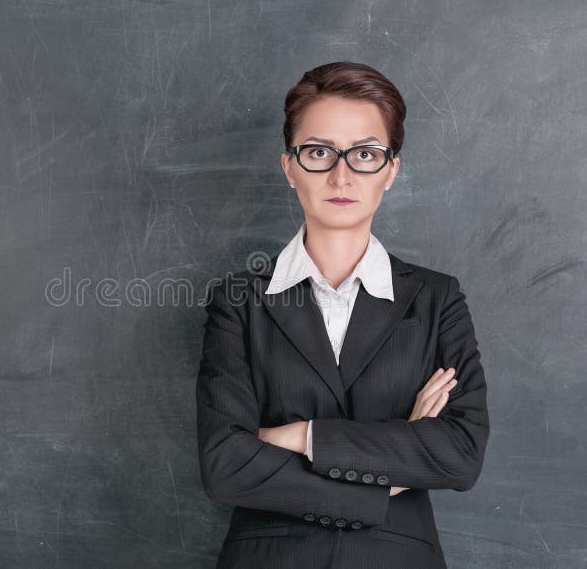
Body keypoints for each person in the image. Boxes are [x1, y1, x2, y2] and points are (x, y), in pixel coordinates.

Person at [195, 61, 489, 569]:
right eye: (318, 152)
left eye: (366, 154)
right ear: (289, 166)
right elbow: (226, 466)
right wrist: (396, 462)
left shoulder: (437, 297)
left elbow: (460, 453)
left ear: (391, 170)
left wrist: (299, 435)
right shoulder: (239, 300)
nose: (341, 174)